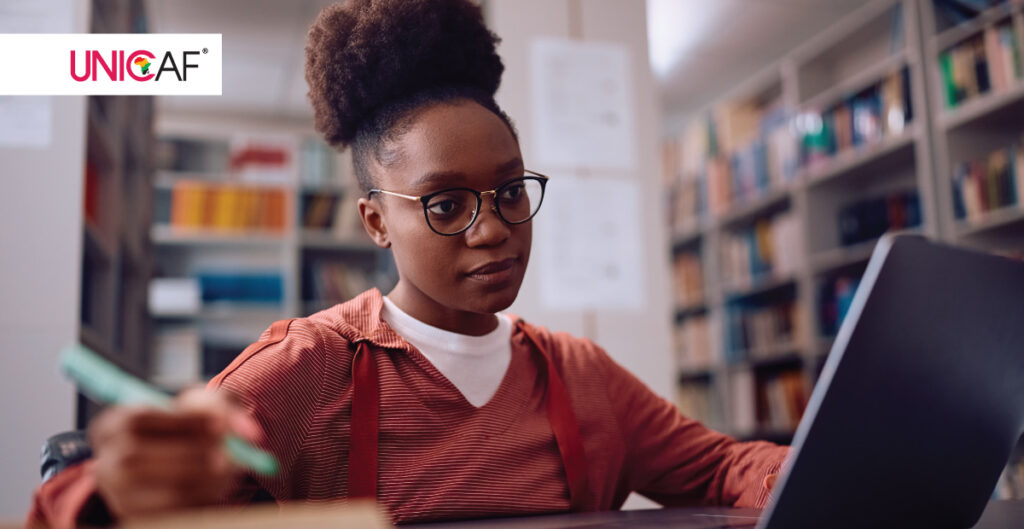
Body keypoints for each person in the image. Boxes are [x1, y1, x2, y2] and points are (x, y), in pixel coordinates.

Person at [28, 0, 788, 526]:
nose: (493, 229)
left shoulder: (579, 373)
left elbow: (724, 466)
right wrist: (125, 490)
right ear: (375, 221)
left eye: (508, 191)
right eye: (446, 204)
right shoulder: (309, 367)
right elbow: (106, 501)